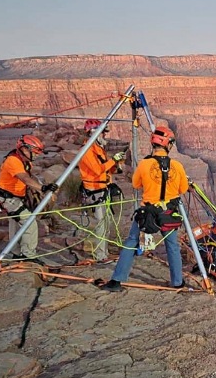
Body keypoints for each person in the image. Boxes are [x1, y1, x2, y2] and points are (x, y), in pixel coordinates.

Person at [102, 126, 188, 291]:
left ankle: (117, 281)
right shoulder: (177, 166)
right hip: (168, 212)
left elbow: (135, 184)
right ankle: (177, 282)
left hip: (146, 212)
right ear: (168, 145)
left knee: (132, 241)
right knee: (172, 246)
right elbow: (182, 189)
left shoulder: (144, 164)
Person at [0, 134, 58, 264]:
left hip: (17, 196)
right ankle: (28, 255)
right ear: (24, 149)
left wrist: (42, 189)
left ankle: (16, 253)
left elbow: (30, 178)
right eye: (34, 152)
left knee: (15, 225)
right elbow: (24, 178)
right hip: (9, 198)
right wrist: (43, 189)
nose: (36, 156)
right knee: (29, 222)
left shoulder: (25, 161)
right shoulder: (13, 161)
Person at [78, 118, 125, 263]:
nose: (105, 135)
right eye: (103, 133)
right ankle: (100, 256)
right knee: (100, 225)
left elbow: (106, 167)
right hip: (94, 191)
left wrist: (116, 164)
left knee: (106, 224)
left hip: (103, 189)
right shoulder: (86, 151)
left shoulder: (98, 149)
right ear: (94, 133)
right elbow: (98, 170)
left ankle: (104, 253)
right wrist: (113, 160)